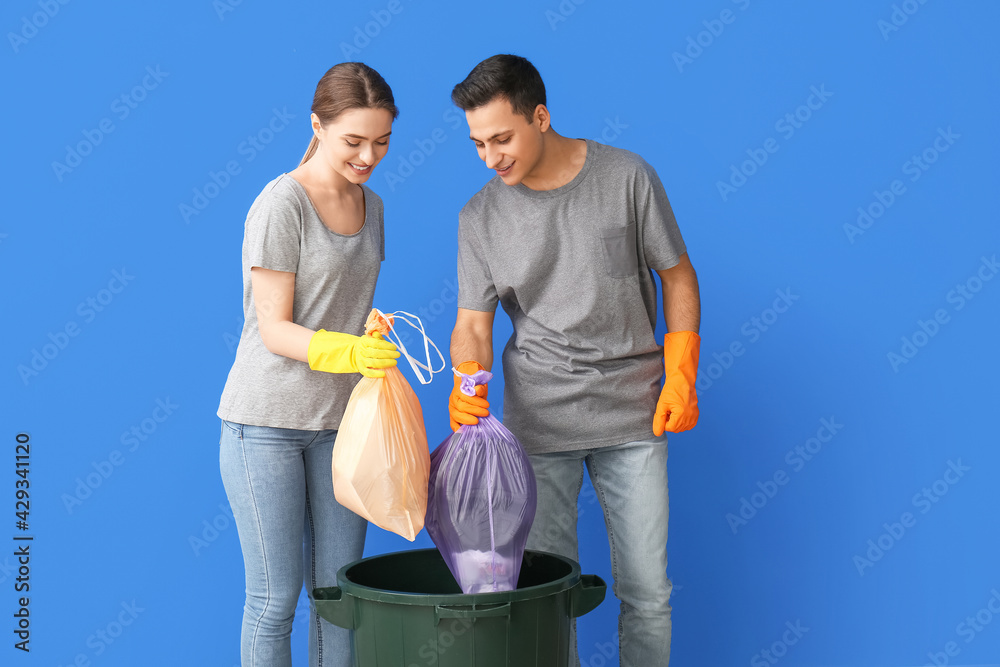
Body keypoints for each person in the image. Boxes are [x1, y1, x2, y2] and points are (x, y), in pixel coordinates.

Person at [447, 54, 701, 667]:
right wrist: (467, 380)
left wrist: (682, 372)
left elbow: (678, 276)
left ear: (541, 116)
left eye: (502, 138)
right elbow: (473, 324)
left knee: (647, 592)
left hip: (635, 416)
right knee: (547, 596)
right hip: (539, 424)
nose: (491, 156)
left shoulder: (627, 178)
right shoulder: (480, 216)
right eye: (478, 143)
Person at [216, 62, 401, 667]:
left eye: (381, 141)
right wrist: (347, 350)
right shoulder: (281, 203)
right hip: (264, 424)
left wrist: (368, 332)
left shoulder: (372, 207)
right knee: (275, 600)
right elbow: (273, 329)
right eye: (354, 141)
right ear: (317, 126)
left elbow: (342, 305)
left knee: (340, 595)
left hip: (338, 423)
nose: (368, 155)